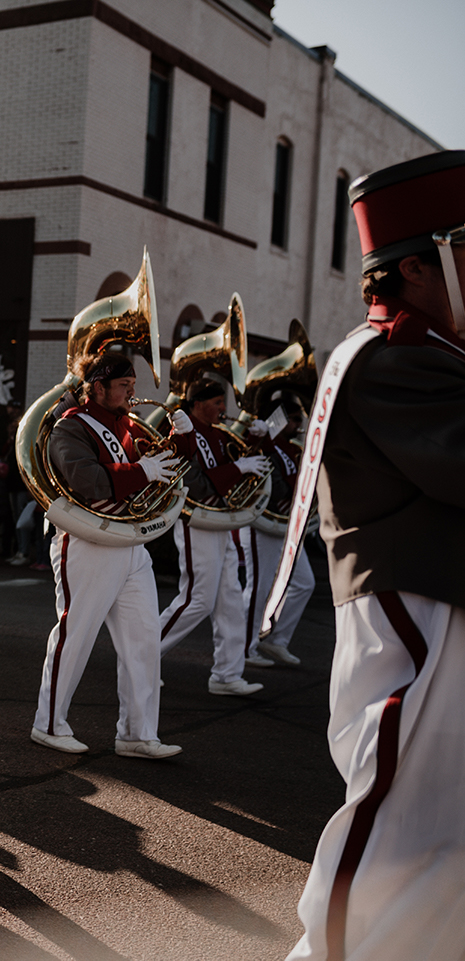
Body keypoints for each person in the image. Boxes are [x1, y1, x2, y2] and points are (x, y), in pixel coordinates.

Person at [281, 150, 465, 961]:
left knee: (443, 845)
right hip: (416, 611)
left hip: (431, 601)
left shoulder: (423, 352)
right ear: (422, 268)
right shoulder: (393, 356)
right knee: (398, 832)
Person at [30, 353, 185, 758]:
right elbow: (87, 481)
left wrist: (178, 443)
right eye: (124, 386)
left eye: (133, 385)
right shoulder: (71, 426)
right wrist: (141, 472)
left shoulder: (127, 425)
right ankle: (48, 723)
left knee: (144, 640)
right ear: (97, 387)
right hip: (89, 542)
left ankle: (137, 733)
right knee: (76, 634)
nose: (133, 393)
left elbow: (158, 472)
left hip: (131, 543)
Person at [156, 378, 270, 696]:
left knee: (230, 599)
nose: (224, 409)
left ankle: (227, 674)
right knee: (197, 600)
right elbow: (193, 480)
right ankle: (140, 658)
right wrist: (239, 467)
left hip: (220, 521)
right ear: (197, 403)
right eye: (218, 402)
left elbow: (230, 469)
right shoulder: (184, 427)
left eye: (223, 402)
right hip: (199, 521)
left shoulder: (218, 435)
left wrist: (256, 444)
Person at [233, 395, 313, 667]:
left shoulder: (290, 448)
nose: (298, 425)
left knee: (305, 583)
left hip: (285, 524)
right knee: (259, 587)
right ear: (279, 419)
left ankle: (277, 641)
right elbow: (272, 483)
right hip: (263, 524)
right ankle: (244, 648)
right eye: (294, 420)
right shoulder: (262, 442)